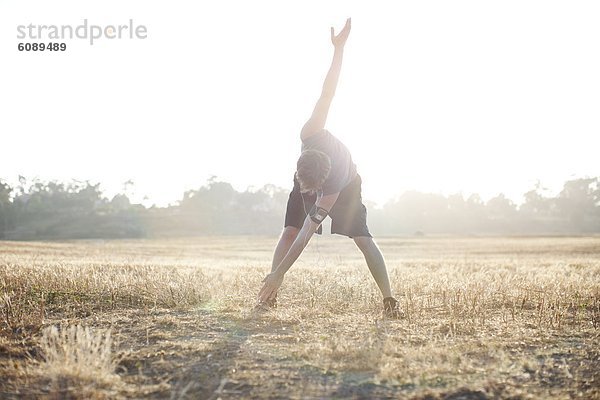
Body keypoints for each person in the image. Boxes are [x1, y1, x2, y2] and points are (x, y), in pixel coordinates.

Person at [257, 18, 401, 318]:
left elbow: (308, 234)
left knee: (362, 239)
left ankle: (390, 301)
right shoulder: (310, 132)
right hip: (313, 175)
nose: (307, 193)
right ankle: (268, 297)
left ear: (321, 183)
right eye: (303, 186)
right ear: (300, 170)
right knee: (287, 231)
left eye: (311, 190)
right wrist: (338, 50)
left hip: (348, 186)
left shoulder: (332, 186)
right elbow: (328, 92)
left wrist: (281, 272)